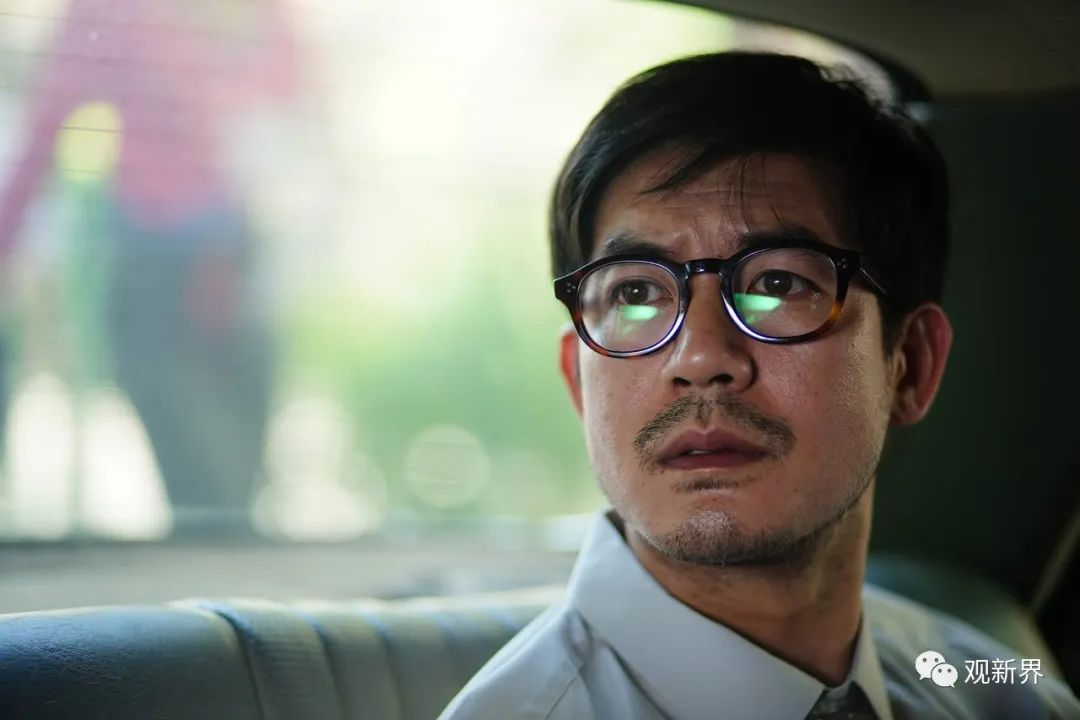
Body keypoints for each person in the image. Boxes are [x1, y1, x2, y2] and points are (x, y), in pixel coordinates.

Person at [439, 53, 1080, 719]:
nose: (700, 357)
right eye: (635, 293)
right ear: (579, 380)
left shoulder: (1009, 697)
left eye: (777, 283)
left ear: (910, 366)